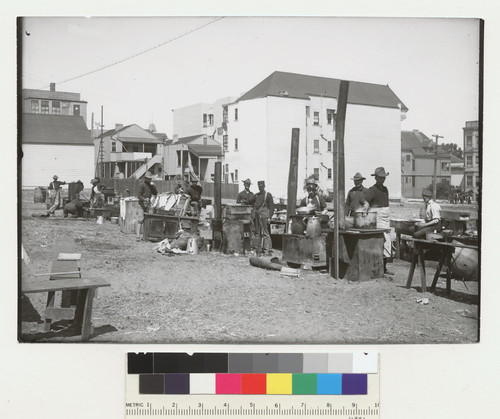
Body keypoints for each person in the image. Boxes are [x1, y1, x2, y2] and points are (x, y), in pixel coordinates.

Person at [366, 167, 393, 275]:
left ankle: (384, 267)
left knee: (387, 242)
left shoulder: (385, 190)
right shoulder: (372, 190)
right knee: (377, 241)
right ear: (376, 178)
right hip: (376, 219)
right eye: (380, 178)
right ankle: (375, 267)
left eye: (384, 178)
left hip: (385, 219)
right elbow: (365, 203)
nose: (382, 179)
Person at [253, 180, 274, 255]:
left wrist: (269, 217)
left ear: (264, 186)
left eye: (261, 186)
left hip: (264, 216)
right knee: (258, 233)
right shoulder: (256, 195)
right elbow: (252, 203)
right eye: (259, 186)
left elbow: (271, 207)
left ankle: (267, 250)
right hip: (257, 216)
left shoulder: (268, 195)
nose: (260, 188)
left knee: (265, 233)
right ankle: (258, 249)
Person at [136, 171, 158, 241]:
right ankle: (137, 236)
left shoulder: (151, 186)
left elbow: (155, 193)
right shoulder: (141, 185)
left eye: (151, 178)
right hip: (141, 204)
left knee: (148, 220)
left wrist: (154, 186)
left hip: (148, 204)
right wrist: (144, 199)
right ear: (145, 178)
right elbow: (139, 196)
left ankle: (146, 236)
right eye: (149, 178)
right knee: (140, 220)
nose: (150, 180)